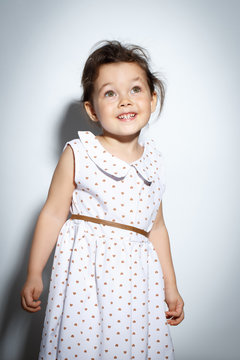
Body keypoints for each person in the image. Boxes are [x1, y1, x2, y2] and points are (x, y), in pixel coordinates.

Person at [21, 40, 184, 360]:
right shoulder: (79, 153)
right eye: (111, 93)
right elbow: (53, 214)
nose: (125, 100)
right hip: (86, 281)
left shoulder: (155, 162)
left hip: (138, 283)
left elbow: (157, 228)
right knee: (83, 347)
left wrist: (171, 286)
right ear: (92, 109)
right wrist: (33, 272)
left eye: (135, 89)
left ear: (152, 99)